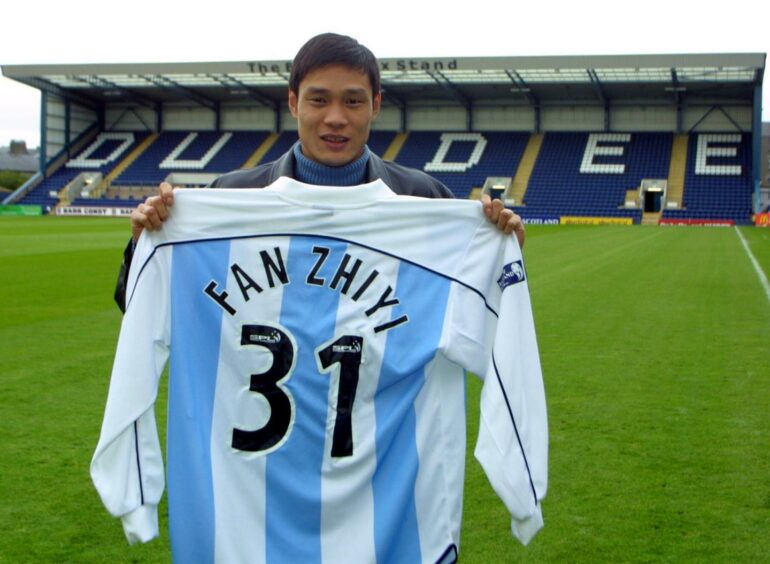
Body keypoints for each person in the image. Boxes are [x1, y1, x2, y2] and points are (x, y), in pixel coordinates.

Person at [114, 32, 525, 312]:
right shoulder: (233, 196)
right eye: (318, 100)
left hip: (381, 439)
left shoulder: (424, 197)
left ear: (375, 105)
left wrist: (504, 256)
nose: (335, 118)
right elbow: (150, 308)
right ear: (293, 102)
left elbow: (481, 312)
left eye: (352, 101)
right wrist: (146, 247)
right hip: (257, 438)